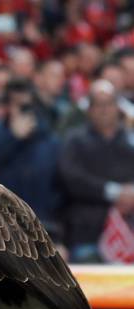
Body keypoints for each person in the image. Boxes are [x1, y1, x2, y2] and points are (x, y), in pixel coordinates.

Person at [59, 80, 134, 262]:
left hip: (129, 229)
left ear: (118, 108)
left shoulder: (130, 139)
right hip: (87, 232)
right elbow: (71, 178)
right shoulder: (75, 140)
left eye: (109, 104)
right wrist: (114, 192)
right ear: (89, 110)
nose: (104, 110)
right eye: (98, 105)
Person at [0, 78, 63, 241]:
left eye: (27, 106)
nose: (24, 111)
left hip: (42, 225)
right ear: (7, 107)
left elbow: (60, 187)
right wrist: (12, 138)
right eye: (19, 105)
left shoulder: (50, 140)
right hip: (0, 225)